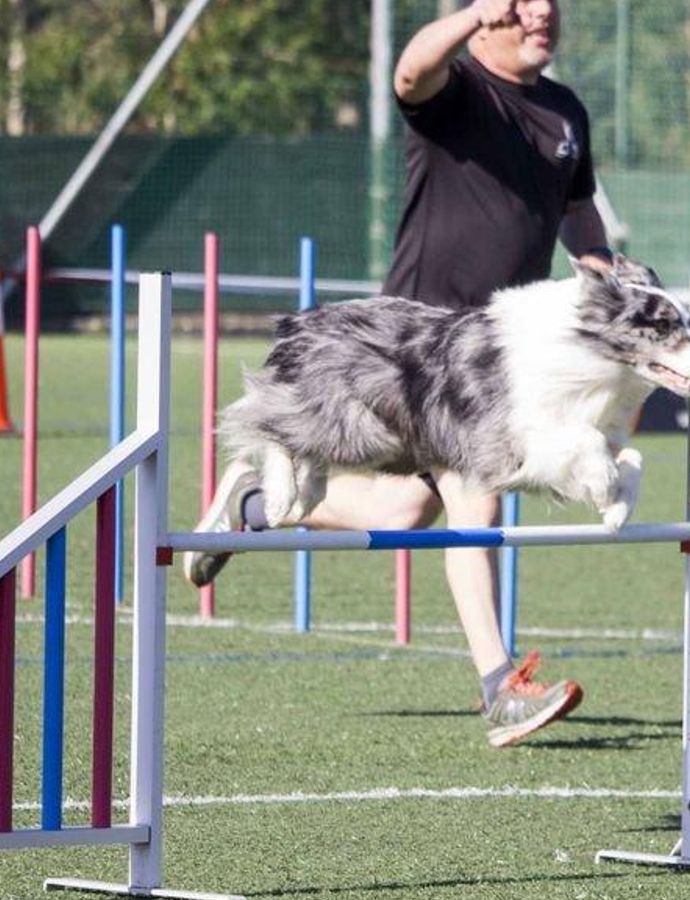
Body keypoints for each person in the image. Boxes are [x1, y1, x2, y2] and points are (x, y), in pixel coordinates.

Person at [184, 0, 612, 749]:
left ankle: (251, 506)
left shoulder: (565, 111)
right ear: (489, 18)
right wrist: (473, 11)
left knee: (399, 515)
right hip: (421, 343)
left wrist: (603, 275)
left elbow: (577, 213)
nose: (545, 13)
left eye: (552, 4)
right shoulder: (461, 93)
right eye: (527, 3)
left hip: (504, 354)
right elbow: (411, 70)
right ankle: (498, 686)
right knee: (476, 498)